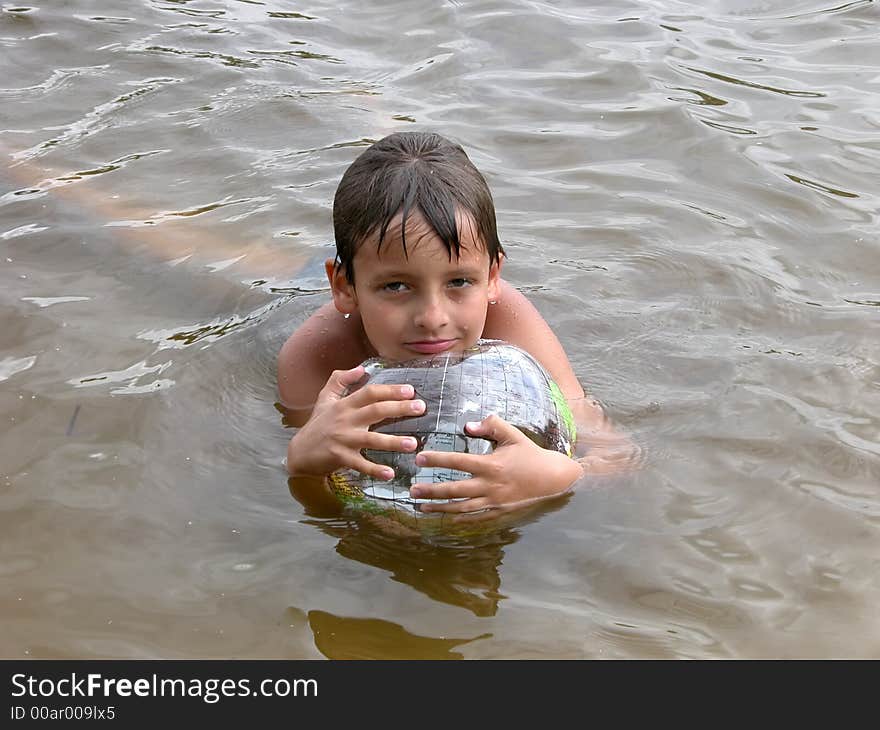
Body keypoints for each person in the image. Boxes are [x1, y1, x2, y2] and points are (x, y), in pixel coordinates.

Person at [278, 131, 631, 517]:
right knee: (269, 261)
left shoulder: (508, 318)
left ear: (493, 276)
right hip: (309, 279)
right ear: (345, 287)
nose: (433, 318)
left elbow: (615, 452)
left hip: (371, 258)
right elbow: (323, 488)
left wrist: (562, 476)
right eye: (396, 286)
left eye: (459, 282)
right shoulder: (315, 354)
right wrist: (301, 461)